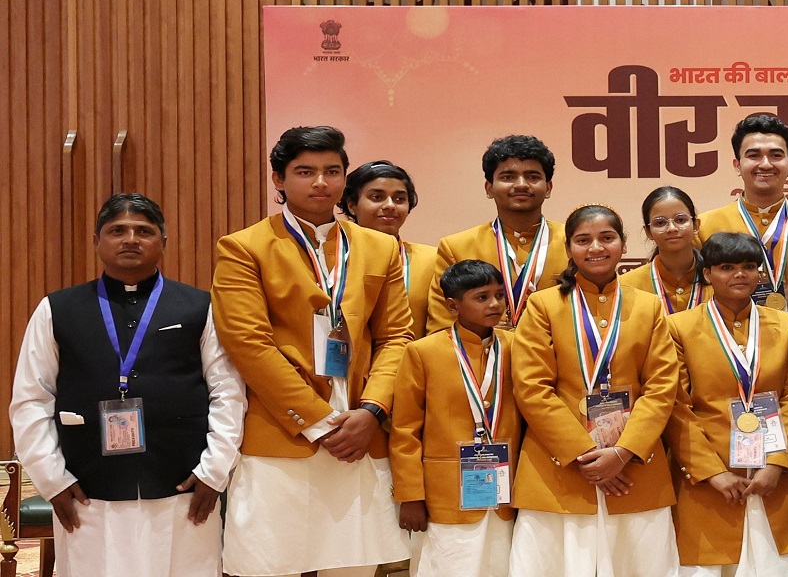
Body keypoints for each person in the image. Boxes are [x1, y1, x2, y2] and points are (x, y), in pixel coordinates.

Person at [9, 193, 246, 577]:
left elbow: (228, 392)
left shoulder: (199, 307)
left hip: (183, 483)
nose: (131, 239)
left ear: (163, 242)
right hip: (85, 486)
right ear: (97, 241)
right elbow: (31, 398)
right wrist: (52, 479)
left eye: (143, 231)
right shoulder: (57, 309)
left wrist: (214, 471)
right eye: (117, 230)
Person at [213, 126, 414, 576]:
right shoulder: (244, 247)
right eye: (305, 172)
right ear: (278, 179)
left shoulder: (380, 247)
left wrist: (372, 411)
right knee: (269, 566)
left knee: (354, 567)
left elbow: (397, 337)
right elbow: (248, 344)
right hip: (283, 435)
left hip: (361, 435)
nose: (321, 182)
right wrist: (320, 423)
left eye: (332, 171)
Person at [507, 204, 683, 576]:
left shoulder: (648, 306)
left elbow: (661, 387)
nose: (596, 248)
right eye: (583, 240)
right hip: (560, 469)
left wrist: (623, 452)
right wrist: (586, 455)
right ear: (569, 248)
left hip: (635, 469)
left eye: (607, 238)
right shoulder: (542, 305)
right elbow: (532, 388)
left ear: (623, 244)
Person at [665, 232, 788, 576]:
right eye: (727, 267)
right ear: (707, 273)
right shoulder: (679, 327)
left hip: (777, 480)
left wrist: (778, 464)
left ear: (759, 273)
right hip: (712, 484)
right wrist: (713, 473)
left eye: (749, 267)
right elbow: (678, 409)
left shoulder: (787, 325)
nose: (740, 274)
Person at [389, 260, 522, 576]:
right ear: (452, 305)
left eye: (499, 295)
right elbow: (405, 429)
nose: (495, 304)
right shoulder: (423, 352)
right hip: (445, 494)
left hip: (507, 489)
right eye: (481, 297)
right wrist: (411, 497)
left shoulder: (517, 346)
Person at [696, 114, 788, 311]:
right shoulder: (705, 227)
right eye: (753, 155)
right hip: (725, 330)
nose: (765, 164)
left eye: (776, 155)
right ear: (737, 165)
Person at [427, 134, 566, 333]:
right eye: (508, 177)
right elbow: (442, 328)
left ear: (548, 188)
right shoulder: (456, 248)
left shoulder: (575, 244)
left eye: (532, 176)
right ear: (489, 188)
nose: (521, 184)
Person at [340, 160, 436, 339]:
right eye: (377, 197)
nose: (390, 205)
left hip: (409, 355)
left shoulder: (432, 260)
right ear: (352, 205)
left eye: (399, 199)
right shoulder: (334, 257)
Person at [621, 186, 710, 315]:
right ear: (648, 232)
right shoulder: (626, 285)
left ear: (696, 225)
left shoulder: (718, 280)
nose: (672, 228)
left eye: (680, 220)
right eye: (660, 223)